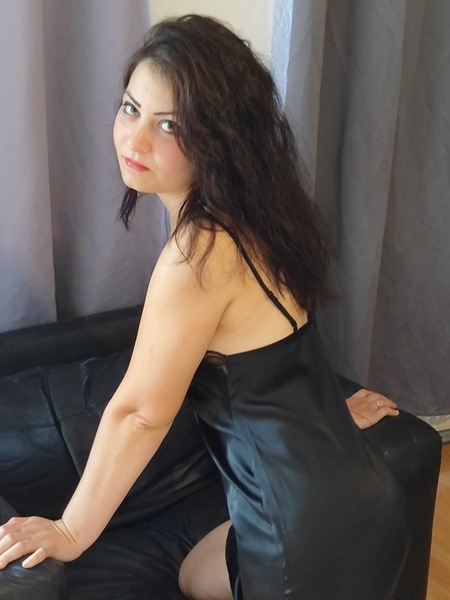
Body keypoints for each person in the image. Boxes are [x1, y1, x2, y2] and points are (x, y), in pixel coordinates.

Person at [0, 14, 406, 600]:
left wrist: (70, 530)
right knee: (194, 574)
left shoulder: (198, 257)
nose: (136, 140)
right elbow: (278, 352)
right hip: (364, 497)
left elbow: (141, 414)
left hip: (305, 540)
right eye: (131, 108)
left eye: (170, 124)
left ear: (222, 136)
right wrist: (328, 420)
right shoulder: (260, 219)